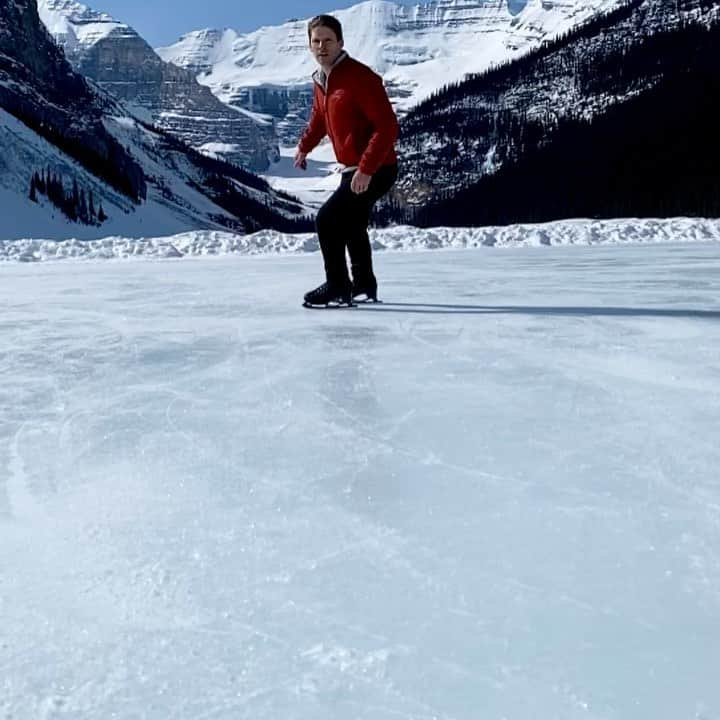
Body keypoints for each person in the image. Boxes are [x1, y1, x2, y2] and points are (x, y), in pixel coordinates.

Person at [295, 14, 399, 307]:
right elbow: (319, 118)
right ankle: (364, 284)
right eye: (316, 41)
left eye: (328, 40)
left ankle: (338, 285)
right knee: (352, 225)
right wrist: (304, 147)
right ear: (310, 46)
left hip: (377, 167)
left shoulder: (360, 77)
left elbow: (388, 126)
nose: (322, 46)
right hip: (353, 169)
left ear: (340, 42)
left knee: (327, 220)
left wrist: (367, 169)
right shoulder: (322, 80)